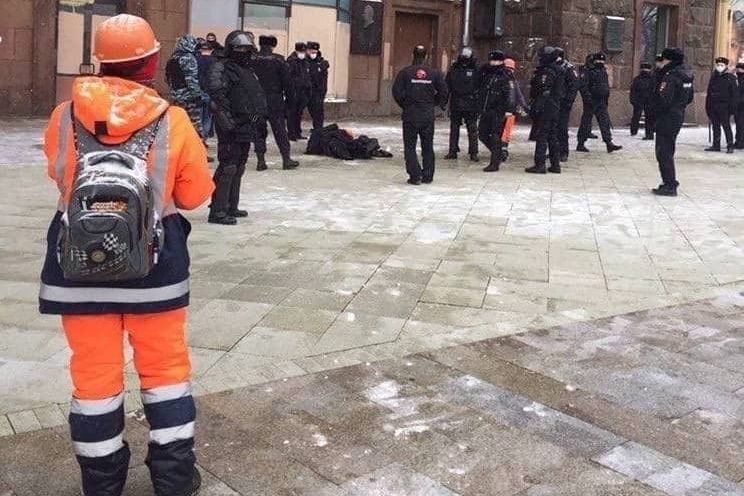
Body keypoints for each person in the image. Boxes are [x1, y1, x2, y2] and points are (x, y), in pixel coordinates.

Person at [40, 14, 213, 496]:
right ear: (151, 60)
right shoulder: (172, 119)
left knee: (93, 379)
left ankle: (102, 483)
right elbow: (196, 194)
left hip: (77, 266)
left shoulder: (64, 115)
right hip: (155, 269)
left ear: (102, 61)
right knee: (165, 372)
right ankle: (175, 480)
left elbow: (58, 175)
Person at [207, 31, 268, 225]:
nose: (244, 52)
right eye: (239, 48)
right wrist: (228, 122)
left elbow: (253, 95)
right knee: (228, 166)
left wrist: (258, 119)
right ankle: (218, 210)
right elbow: (217, 97)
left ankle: (231, 205)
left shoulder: (248, 70)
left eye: (247, 49)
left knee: (239, 165)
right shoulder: (221, 68)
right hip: (230, 125)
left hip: (247, 124)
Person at [392, 45, 448, 185]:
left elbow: (397, 92)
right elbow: (444, 92)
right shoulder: (434, 73)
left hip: (410, 114)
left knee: (410, 147)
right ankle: (428, 175)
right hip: (427, 115)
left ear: (413, 55)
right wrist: (434, 104)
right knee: (427, 146)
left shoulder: (405, 73)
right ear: (426, 57)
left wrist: (406, 105)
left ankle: (415, 175)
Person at [652, 47, 694, 196]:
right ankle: (669, 182)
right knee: (668, 149)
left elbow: (664, 99)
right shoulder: (687, 74)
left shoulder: (671, 76)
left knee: (664, 152)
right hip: (678, 114)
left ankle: (670, 184)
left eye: (663, 59)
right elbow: (690, 98)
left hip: (667, 117)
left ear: (668, 60)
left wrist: (656, 109)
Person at [254, 35, 299, 171]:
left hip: (257, 100)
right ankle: (286, 159)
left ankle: (260, 160)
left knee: (258, 130)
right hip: (275, 100)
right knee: (280, 130)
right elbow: (288, 83)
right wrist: (291, 102)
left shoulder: (252, 60)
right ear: (273, 46)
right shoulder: (279, 60)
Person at [526, 46, 565, 174]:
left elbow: (542, 89)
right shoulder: (558, 69)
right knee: (552, 136)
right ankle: (555, 164)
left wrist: (537, 106)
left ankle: (540, 164)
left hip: (546, 107)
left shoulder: (547, 71)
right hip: (553, 106)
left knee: (542, 136)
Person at [576, 52, 622, 153]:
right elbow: (583, 86)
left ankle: (608, 143)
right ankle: (580, 143)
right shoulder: (588, 70)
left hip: (601, 101)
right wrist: (588, 99)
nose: (601, 62)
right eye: (599, 60)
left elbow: (605, 85)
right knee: (586, 122)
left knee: (604, 122)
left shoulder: (602, 71)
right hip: (591, 100)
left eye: (602, 61)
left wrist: (606, 98)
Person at [478, 50, 515, 172]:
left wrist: (509, 109)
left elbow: (510, 94)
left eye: (495, 60)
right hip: (486, 108)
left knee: (495, 135)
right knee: (482, 134)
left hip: (498, 110)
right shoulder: (487, 73)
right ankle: (498, 153)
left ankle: (494, 163)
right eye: (491, 60)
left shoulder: (505, 75)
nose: (493, 63)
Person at [445, 46, 480, 162]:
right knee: (466, 128)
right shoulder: (460, 69)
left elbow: (447, 85)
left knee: (467, 128)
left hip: (464, 102)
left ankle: (460, 151)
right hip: (463, 102)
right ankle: (458, 151)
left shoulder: (459, 68)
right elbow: (447, 85)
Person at [166, 35, 205, 139]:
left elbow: (167, 79)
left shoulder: (172, 58)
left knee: (179, 124)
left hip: (175, 96)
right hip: (188, 98)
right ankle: (200, 148)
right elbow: (191, 79)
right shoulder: (188, 58)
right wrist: (197, 96)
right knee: (195, 124)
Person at [705, 57, 737, 153]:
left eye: (722, 65)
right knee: (715, 126)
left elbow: (734, 94)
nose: (719, 66)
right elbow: (709, 92)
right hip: (714, 106)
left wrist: (732, 109)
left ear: (726, 66)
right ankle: (716, 145)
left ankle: (730, 145)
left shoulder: (730, 77)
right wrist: (708, 106)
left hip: (724, 107)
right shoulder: (714, 76)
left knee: (726, 126)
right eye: (718, 65)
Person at [555, 48, 579, 162]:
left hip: (564, 102)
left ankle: (563, 152)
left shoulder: (568, 68)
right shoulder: (554, 66)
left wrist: (569, 100)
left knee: (562, 127)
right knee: (553, 128)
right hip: (554, 102)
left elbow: (574, 86)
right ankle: (554, 151)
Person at [286, 42, 312, 141]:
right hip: (294, 91)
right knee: (292, 113)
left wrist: (308, 88)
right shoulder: (291, 61)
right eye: (301, 51)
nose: (303, 53)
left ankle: (297, 133)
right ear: (296, 51)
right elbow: (288, 77)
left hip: (303, 91)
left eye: (304, 51)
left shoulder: (305, 61)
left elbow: (307, 76)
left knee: (299, 113)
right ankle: (291, 134)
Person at [307, 41, 330, 131]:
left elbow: (323, 80)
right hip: (306, 90)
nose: (313, 54)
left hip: (317, 91)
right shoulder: (304, 62)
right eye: (311, 51)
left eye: (315, 52)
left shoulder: (322, 63)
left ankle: (318, 129)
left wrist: (322, 92)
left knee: (318, 111)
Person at [196, 38, 216, 141]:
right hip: (210, 92)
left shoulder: (195, 60)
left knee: (198, 117)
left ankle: (198, 138)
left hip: (197, 91)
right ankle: (204, 139)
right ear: (212, 50)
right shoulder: (214, 62)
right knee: (208, 118)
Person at [629, 63, 655, 139]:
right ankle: (648, 133)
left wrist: (633, 100)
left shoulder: (638, 79)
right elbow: (633, 90)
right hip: (643, 100)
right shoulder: (651, 79)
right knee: (643, 117)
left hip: (643, 100)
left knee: (640, 116)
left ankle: (636, 131)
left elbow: (633, 91)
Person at [735, 63, 744, 149]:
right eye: (737, 68)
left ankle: (740, 142)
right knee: (738, 125)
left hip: (741, 107)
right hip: (737, 107)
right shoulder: (738, 79)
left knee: (741, 125)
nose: (737, 70)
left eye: (739, 69)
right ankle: (738, 141)